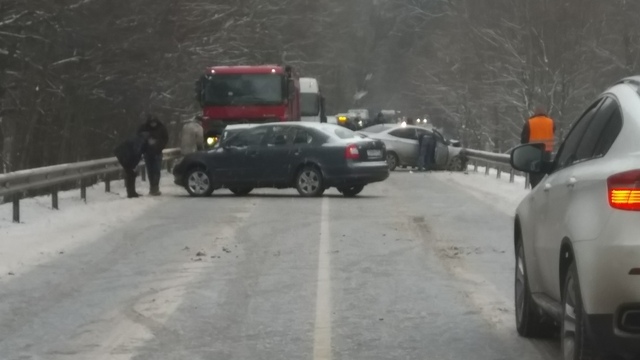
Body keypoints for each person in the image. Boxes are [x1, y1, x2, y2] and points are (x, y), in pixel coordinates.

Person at [521, 106, 555, 187]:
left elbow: (523, 139)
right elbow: (553, 132)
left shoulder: (529, 122)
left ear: (535, 113)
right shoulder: (551, 122)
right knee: (544, 177)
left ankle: (535, 191)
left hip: (533, 153)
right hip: (547, 153)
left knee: (534, 178)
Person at [138, 115, 169, 196]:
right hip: (147, 153)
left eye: (154, 122)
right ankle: (152, 186)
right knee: (150, 170)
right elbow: (139, 138)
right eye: (151, 123)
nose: (153, 124)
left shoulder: (161, 128)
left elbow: (165, 139)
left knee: (156, 170)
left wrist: (159, 146)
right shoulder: (144, 128)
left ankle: (155, 187)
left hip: (157, 152)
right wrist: (145, 144)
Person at [114, 132, 149, 198]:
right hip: (124, 155)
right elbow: (136, 152)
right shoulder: (140, 142)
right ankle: (131, 193)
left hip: (124, 154)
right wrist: (133, 165)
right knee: (130, 174)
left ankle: (132, 192)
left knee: (131, 174)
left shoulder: (139, 140)